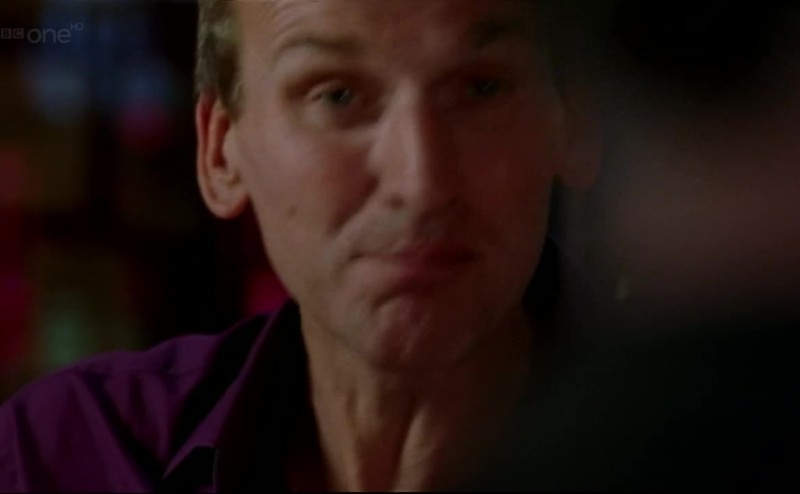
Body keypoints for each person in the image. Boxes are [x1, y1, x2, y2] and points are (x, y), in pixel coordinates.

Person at [0, 0, 597, 491]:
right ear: (220, 153)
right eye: (336, 96)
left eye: (482, 88)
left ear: (572, 125)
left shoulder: (654, 448)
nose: (419, 184)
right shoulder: (63, 456)